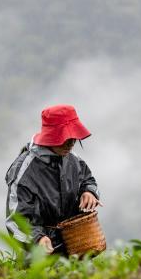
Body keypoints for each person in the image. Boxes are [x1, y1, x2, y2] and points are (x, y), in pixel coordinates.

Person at [5, 104, 102, 256]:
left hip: (77, 248)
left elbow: (87, 179)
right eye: (66, 138)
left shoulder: (73, 159)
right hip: (40, 257)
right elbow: (15, 221)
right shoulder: (24, 171)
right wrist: (38, 238)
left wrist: (89, 192)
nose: (71, 143)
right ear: (51, 137)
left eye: (73, 138)